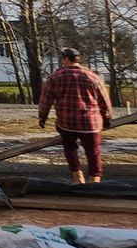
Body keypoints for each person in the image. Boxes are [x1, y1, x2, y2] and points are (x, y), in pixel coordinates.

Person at [37, 47, 115, 184]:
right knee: (93, 151)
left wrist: (42, 117)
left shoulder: (54, 77)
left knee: (70, 148)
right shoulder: (93, 76)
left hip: (67, 122)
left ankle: (77, 177)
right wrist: (107, 115)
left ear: (66, 59)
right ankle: (95, 179)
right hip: (91, 122)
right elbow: (104, 99)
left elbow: (46, 100)